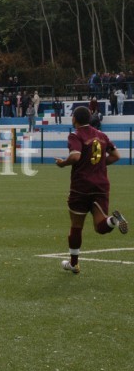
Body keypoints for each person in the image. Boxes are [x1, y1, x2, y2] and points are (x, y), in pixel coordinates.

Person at [55, 106, 128, 274]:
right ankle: (113, 221)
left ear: (74, 119)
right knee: (101, 226)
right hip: (101, 185)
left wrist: (62, 163)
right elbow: (116, 156)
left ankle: (74, 264)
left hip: (81, 186)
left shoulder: (76, 135)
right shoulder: (102, 135)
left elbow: (75, 156)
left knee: (76, 226)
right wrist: (100, 164)